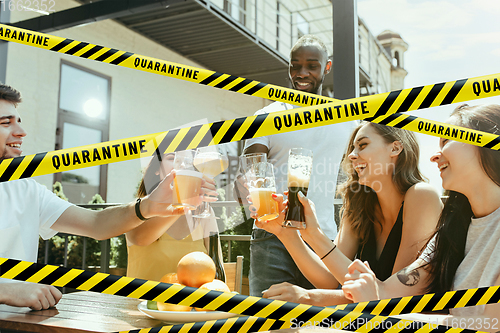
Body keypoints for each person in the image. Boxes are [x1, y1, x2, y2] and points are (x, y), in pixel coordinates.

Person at [0, 83, 215, 310]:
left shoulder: (26, 190)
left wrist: (148, 206)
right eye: (6, 123)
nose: (21, 132)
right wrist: (5, 289)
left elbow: (97, 223)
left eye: (19, 121)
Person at [342, 104, 500, 329]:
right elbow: (387, 293)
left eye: (447, 141)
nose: (435, 156)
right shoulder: (452, 228)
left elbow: (492, 325)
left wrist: (378, 309)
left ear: (487, 141)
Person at [256, 122, 442, 306]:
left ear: (395, 148)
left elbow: (391, 296)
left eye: (363, 145)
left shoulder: (422, 196)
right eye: (352, 149)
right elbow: (329, 279)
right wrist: (287, 234)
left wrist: (308, 297)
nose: (352, 156)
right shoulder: (359, 204)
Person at [236, 34, 358, 297]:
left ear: (327, 67)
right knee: (266, 317)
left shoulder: (346, 120)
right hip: (272, 235)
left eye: (312, 65)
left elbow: (361, 170)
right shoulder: (265, 117)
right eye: (295, 65)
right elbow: (252, 165)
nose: (302, 73)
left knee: (321, 320)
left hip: (321, 236)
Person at [126, 151, 223, 282]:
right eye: (172, 158)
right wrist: (184, 202)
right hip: (143, 301)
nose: (182, 164)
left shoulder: (203, 213)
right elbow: (139, 238)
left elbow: (217, 269)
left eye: (188, 160)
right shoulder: (138, 209)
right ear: (156, 169)